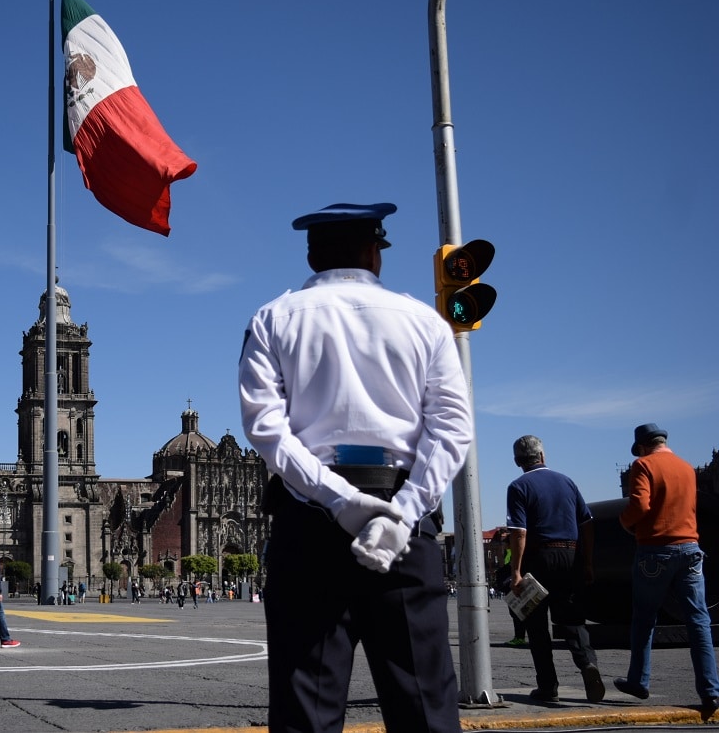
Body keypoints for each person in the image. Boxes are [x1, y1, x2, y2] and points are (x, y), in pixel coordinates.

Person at [238, 202, 471, 733]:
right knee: (427, 710)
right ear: (375, 253)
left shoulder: (274, 318)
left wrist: (340, 502)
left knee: (307, 712)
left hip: (310, 528)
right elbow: (452, 428)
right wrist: (403, 513)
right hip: (404, 533)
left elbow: (267, 430)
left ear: (312, 254)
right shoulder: (424, 322)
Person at [614, 423, 719, 711]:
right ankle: (710, 690)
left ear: (643, 447)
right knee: (699, 621)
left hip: (655, 551)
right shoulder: (687, 468)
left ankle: (639, 681)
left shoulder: (643, 465)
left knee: (645, 618)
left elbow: (640, 506)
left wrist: (625, 523)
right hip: (691, 550)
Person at [505, 435, 604, 702]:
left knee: (537, 626)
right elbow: (587, 523)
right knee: (572, 617)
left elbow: (519, 532)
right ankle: (587, 664)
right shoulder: (567, 482)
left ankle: (548, 687)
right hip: (570, 554)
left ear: (517, 461)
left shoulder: (518, 486)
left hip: (538, 558)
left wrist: (515, 570)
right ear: (543, 456)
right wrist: (587, 561)